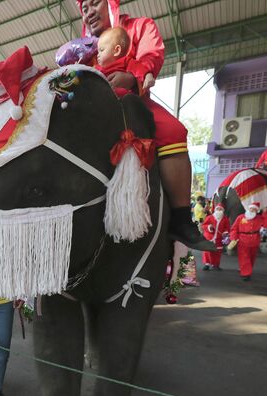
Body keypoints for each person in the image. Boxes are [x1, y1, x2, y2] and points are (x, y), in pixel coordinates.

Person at [73, 0, 213, 251]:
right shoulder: (83, 47)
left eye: (94, 4)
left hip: (136, 103)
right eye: (84, 9)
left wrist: (134, 77)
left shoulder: (140, 27)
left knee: (173, 131)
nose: (89, 12)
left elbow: (151, 55)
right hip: (93, 109)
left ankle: (181, 218)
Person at [94, 27, 148, 97]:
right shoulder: (97, 68)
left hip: (124, 97)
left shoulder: (126, 61)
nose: (98, 55)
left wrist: (147, 75)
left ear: (116, 50)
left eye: (101, 50)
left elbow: (140, 69)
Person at [228, 202, 267, 281]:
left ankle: (247, 270)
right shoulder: (240, 217)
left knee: (252, 257)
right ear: (248, 208)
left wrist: (265, 213)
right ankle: (245, 274)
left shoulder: (259, 218)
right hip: (242, 240)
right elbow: (234, 228)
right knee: (244, 257)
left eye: (254, 209)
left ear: (257, 211)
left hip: (254, 240)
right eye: (251, 208)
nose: (252, 210)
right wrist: (233, 237)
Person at [201, 203, 229, 270]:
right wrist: (209, 227)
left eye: (220, 209)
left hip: (219, 238)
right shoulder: (210, 217)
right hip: (209, 237)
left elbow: (227, 227)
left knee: (217, 252)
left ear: (223, 210)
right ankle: (206, 264)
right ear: (215, 210)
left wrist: (225, 232)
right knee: (207, 251)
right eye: (217, 209)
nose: (219, 210)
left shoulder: (225, 219)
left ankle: (215, 265)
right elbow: (204, 226)